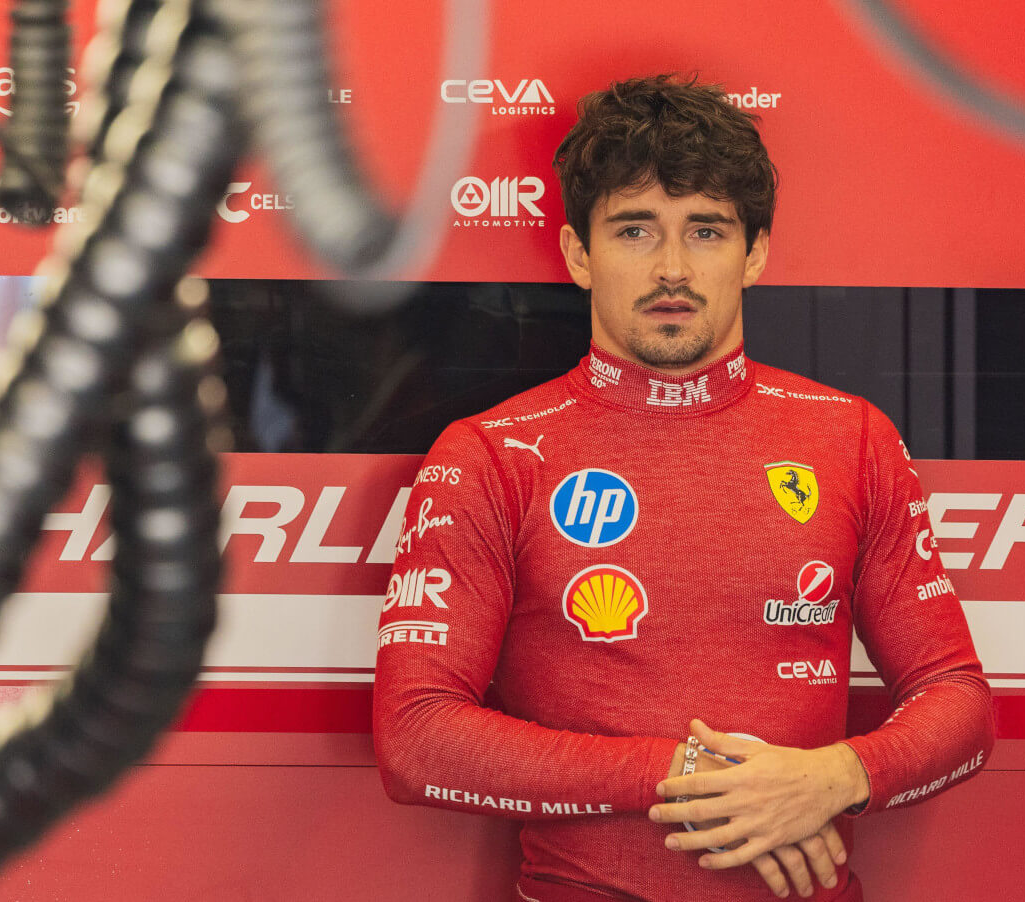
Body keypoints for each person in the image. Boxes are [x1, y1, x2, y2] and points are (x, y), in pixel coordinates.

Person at [372, 74, 993, 902]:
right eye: (635, 231)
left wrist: (836, 776)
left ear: (756, 251)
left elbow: (961, 702)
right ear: (578, 255)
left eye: (706, 230)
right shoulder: (492, 454)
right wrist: (687, 772)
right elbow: (417, 743)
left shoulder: (851, 438)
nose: (672, 268)